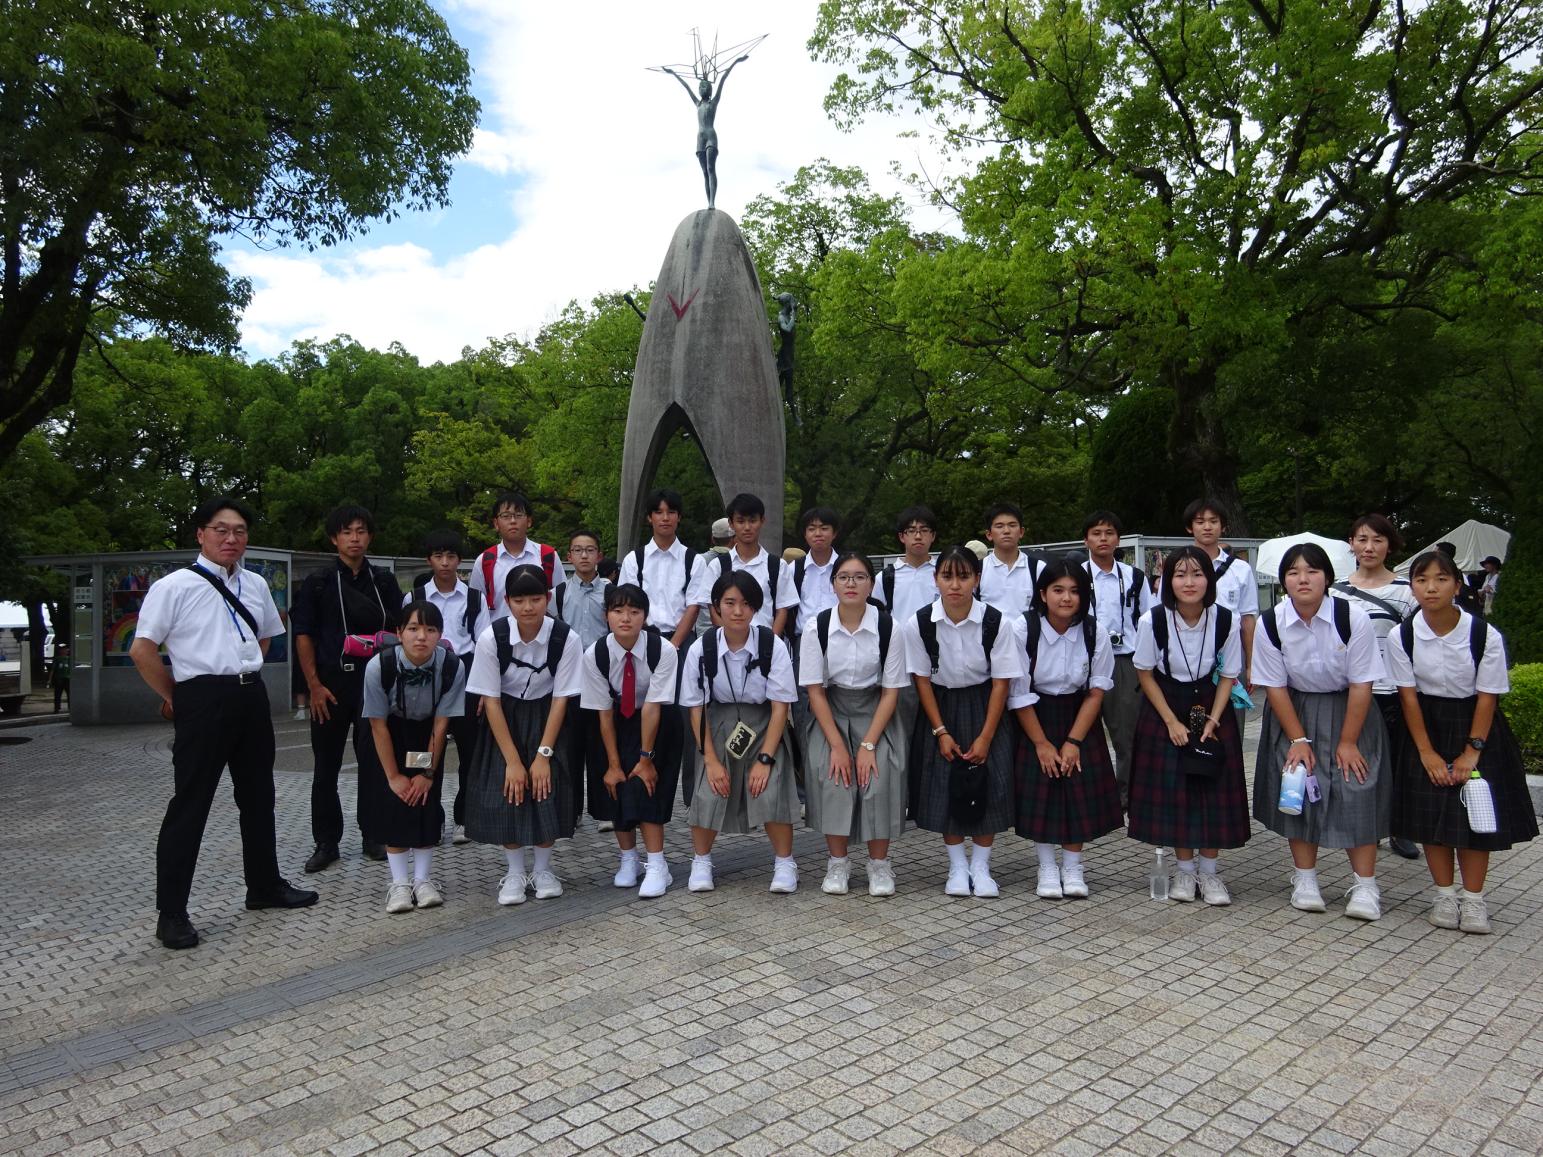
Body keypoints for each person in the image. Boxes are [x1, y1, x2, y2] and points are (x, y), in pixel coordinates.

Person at [129, 496, 317, 950]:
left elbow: (267, 634)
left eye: (239, 531)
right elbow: (142, 650)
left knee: (259, 796)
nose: (231, 538)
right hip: (201, 695)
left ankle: (264, 886)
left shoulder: (254, 584)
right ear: (200, 534)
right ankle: (171, 912)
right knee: (190, 804)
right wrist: (178, 696)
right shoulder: (173, 586)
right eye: (220, 529)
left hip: (250, 694)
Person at [1387, 550, 1537, 935]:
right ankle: (1444, 894)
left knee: (1476, 815)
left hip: (1477, 725)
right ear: (1413, 587)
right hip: (1424, 725)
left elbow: (1488, 696)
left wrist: (1473, 750)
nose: (1431, 587)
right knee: (1433, 814)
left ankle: (1474, 901)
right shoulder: (1401, 635)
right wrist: (1426, 752)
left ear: (1457, 584)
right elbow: (1407, 696)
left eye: (1440, 579)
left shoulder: (1483, 634)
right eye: (1422, 580)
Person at [1251, 543, 1391, 921]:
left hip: (1351, 710)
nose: (1303, 578)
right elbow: (1275, 687)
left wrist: (1348, 741)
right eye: (1293, 572)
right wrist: (1298, 740)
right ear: (1283, 581)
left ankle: (1365, 885)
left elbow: (1364, 683)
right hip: (1295, 710)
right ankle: (1305, 879)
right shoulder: (1271, 622)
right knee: (1297, 786)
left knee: (1357, 787)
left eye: (1311, 571)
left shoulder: (1352, 617)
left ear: (1327, 577)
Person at [1128, 545, 1249, 906]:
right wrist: (1170, 722)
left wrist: (1214, 717)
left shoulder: (1226, 619)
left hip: (1213, 704)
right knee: (1176, 790)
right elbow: (1144, 674)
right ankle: (1184, 870)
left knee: (1211, 789)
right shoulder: (1154, 620)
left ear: (1209, 580)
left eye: (1197, 574)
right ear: (1167, 580)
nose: (1189, 582)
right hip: (1166, 703)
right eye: (1180, 574)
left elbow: (1229, 675)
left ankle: (1210, 875)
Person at [901, 544, 1024, 898]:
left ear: (977, 579)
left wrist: (987, 735)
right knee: (944, 782)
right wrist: (940, 730)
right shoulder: (919, 623)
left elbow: (1003, 681)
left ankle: (982, 866)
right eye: (947, 576)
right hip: (940, 705)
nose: (955, 585)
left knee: (990, 782)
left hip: (987, 703)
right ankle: (956, 865)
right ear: (935, 579)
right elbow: (921, 679)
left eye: (963, 576)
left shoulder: (996, 621)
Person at [463, 564, 582, 906]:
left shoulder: (566, 638)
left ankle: (543, 869)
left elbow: (562, 698)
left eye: (535, 598)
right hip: (505, 719)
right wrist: (513, 761)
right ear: (507, 601)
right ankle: (515, 872)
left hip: (549, 716)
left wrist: (543, 755)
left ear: (547, 598)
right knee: (509, 790)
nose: (528, 607)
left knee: (548, 789)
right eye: (519, 599)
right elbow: (491, 700)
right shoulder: (492, 637)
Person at [293, 504, 402, 872]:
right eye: (346, 532)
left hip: (375, 680)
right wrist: (313, 686)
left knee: (374, 761)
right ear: (334, 538)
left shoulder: (384, 581)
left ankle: (374, 834)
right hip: (331, 683)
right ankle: (326, 841)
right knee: (326, 765)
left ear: (370, 536)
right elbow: (304, 635)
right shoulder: (319, 581)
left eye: (360, 531)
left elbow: (399, 632)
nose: (354, 538)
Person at [679, 571, 800, 893]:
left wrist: (765, 758)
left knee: (771, 788)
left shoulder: (771, 645)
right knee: (708, 791)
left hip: (764, 724)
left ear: (756, 608)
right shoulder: (700, 649)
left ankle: (785, 862)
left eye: (746, 604)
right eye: (729, 603)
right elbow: (695, 708)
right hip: (715, 724)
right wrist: (710, 759)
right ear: (715, 607)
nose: (737, 611)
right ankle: (701, 861)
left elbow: (780, 707)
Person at [1010, 559, 1122, 899]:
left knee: (1076, 788)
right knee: (1042, 790)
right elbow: (1017, 692)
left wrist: (1074, 740)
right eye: (1058, 590)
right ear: (1043, 593)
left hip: (1078, 713)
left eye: (1075, 591)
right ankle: (1045, 865)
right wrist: (1041, 743)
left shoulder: (1093, 632)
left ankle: (1073, 865)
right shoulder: (1022, 629)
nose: (1066, 598)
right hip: (1033, 713)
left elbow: (1096, 691)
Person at [801, 553, 910, 897]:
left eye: (859, 577)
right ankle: (837, 862)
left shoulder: (890, 627)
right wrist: (837, 746)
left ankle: (879, 865)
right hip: (830, 709)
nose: (851, 583)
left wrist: (867, 746)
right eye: (844, 577)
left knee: (879, 778)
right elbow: (814, 691)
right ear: (833, 584)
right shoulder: (816, 626)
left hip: (876, 709)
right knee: (834, 777)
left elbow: (892, 691)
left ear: (871, 584)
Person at [359, 599, 466, 914]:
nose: (422, 637)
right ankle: (399, 883)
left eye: (430, 629)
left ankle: (423, 880)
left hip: (427, 735)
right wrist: (394, 777)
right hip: (390, 733)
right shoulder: (380, 666)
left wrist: (427, 774)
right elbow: (377, 725)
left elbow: (442, 723)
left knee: (424, 802)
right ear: (399, 632)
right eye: (413, 628)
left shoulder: (451, 666)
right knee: (395, 802)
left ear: (440, 634)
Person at [580, 584, 682, 898]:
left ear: (645, 616)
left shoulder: (661, 650)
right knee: (617, 784)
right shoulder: (595, 653)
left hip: (657, 722)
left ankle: (657, 864)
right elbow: (603, 712)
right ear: (606, 615)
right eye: (618, 610)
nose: (626, 618)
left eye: (634, 611)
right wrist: (613, 763)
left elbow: (653, 705)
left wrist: (646, 758)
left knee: (645, 785)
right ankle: (628, 859)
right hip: (613, 721)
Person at [1333, 514, 1420, 859]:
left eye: (1378, 540)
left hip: (1392, 690)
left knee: (1397, 761)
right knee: (1354, 758)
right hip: (1350, 690)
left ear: (1390, 544)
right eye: (1362, 539)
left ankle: (1400, 828)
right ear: (1351, 543)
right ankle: (1358, 823)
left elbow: (1417, 643)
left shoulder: (1407, 591)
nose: (1369, 547)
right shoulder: (1336, 590)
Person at [408, 530, 486, 846]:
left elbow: (484, 645)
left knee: (470, 753)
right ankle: (428, 817)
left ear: (459, 560)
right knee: (423, 751)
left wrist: (481, 691)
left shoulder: (474, 598)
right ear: (429, 559)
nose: (445, 563)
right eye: (438, 556)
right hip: (424, 682)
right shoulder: (414, 597)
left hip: (465, 680)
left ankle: (464, 818)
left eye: (451, 556)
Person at [1081, 511, 1152, 806]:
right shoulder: (1075, 576)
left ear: (1118, 539)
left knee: (1127, 732)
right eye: (1096, 533)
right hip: (1083, 659)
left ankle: (1127, 795)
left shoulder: (1134, 576)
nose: (1103, 539)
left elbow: (1149, 618)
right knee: (1083, 732)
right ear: (1086, 539)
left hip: (1125, 661)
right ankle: (1086, 791)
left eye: (1109, 533)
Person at [556, 528, 611, 828]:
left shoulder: (611, 591)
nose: (584, 555)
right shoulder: (559, 592)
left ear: (599, 555)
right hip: (572, 679)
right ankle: (573, 809)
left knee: (601, 743)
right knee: (572, 746)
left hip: (603, 677)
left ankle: (603, 810)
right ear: (569, 557)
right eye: (578, 550)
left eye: (590, 550)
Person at [687, 493, 798, 636]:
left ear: (762, 521)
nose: (747, 527)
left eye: (752, 521)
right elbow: (713, 608)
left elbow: (782, 609)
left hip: (765, 646)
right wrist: (732, 639)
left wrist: (771, 645)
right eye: (740, 521)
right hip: (727, 646)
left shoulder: (777, 566)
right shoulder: (718, 566)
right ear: (731, 524)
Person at [617, 488, 706, 650]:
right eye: (658, 512)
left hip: (683, 641)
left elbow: (693, 607)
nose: (665, 518)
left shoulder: (694, 560)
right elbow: (628, 603)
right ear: (649, 518)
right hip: (642, 639)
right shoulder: (633, 560)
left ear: (679, 517)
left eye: (671, 512)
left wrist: (674, 645)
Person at [1183, 498, 1259, 687]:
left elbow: (1247, 619)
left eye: (1213, 521)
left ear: (1223, 526)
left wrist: (1251, 665)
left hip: (1231, 652)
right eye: (1200, 522)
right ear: (1189, 528)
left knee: (1232, 714)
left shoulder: (1241, 569)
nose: (1207, 527)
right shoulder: (1177, 567)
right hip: (1186, 654)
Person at [659, 53, 750, 209]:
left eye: (704, 86)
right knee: (704, 173)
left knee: (710, 168)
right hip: (699, 139)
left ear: (709, 89)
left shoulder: (713, 102)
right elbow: (685, 86)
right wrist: (673, 74)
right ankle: (709, 202)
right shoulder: (697, 103)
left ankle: (712, 202)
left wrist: (735, 61)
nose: (702, 88)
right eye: (700, 86)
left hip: (710, 137)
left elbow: (723, 79)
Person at [468, 491, 558, 623]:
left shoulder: (548, 556)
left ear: (529, 521)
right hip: (498, 639)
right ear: (496, 523)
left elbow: (559, 601)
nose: (513, 521)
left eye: (519, 515)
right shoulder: (485, 561)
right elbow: (476, 606)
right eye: (506, 516)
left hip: (541, 637)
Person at [877, 506, 939, 624]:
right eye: (911, 531)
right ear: (901, 536)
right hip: (898, 642)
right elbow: (876, 616)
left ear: (933, 536)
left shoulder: (944, 574)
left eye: (924, 530)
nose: (918, 536)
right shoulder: (884, 578)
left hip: (937, 641)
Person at [977, 503, 1038, 619]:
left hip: (1028, 636)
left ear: (1021, 532)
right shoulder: (977, 570)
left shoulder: (1037, 568)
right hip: (990, 636)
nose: (1006, 531)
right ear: (989, 534)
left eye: (1012, 525)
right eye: (999, 526)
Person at [49, 641, 70, 712]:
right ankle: (57, 708)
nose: (64, 650)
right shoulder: (57, 659)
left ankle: (70, 707)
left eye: (65, 649)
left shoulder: (69, 659)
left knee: (69, 694)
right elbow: (53, 670)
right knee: (57, 694)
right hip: (59, 678)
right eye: (62, 649)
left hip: (68, 678)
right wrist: (49, 679)